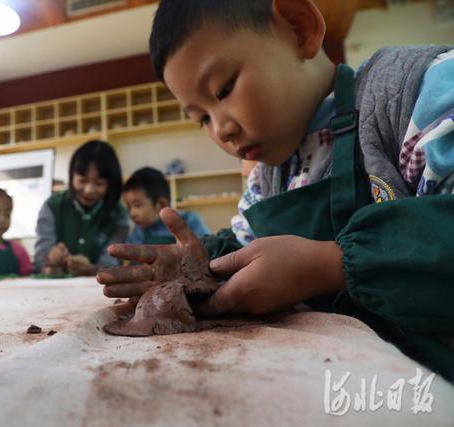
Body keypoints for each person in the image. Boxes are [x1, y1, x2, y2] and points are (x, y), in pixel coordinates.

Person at [97, 0, 454, 381]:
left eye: (223, 90)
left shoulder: (414, 94)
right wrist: (200, 267)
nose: (220, 130)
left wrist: (329, 266)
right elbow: (242, 246)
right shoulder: (265, 180)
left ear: (299, 29)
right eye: (201, 118)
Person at [34, 140, 129, 276]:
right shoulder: (51, 207)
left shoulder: (119, 215)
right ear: (71, 176)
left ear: (110, 185)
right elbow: (40, 261)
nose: (89, 190)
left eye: (99, 183)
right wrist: (50, 260)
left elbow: (111, 266)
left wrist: (91, 269)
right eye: (82, 180)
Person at [123, 166, 209, 244]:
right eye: (128, 206)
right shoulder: (140, 228)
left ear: (161, 204)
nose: (132, 213)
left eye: (137, 205)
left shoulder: (190, 220)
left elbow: (208, 250)